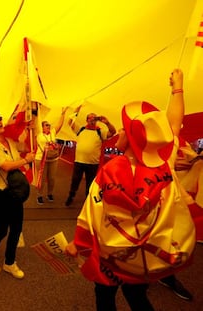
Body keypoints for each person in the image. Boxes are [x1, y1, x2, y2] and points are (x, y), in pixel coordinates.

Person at [65, 69, 195, 310]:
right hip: (144, 259)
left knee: (104, 296)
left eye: (124, 129)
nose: (120, 132)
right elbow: (174, 125)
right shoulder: (163, 163)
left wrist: (78, 243)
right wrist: (178, 88)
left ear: (133, 137)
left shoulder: (111, 170)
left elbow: (92, 211)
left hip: (112, 257)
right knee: (137, 297)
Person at [0, 111, 35, 279]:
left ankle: (9, 263)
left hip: (14, 192)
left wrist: (31, 130)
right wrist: (26, 160)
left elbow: (27, 147)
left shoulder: (10, 141)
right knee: (1, 230)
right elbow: (5, 165)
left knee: (17, 229)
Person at [65, 110, 116, 206]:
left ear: (97, 120)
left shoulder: (100, 131)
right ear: (87, 120)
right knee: (75, 180)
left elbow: (113, 132)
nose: (92, 120)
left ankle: (88, 201)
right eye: (90, 118)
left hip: (92, 163)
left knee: (90, 183)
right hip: (79, 161)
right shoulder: (81, 129)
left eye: (95, 118)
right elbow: (69, 122)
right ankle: (71, 196)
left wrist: (107, 123)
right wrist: (76, 111)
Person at [35, 108, 66, 204]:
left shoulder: (53, 133)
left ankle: (50, 193)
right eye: (46, 125)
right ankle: (39, 195)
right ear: (42, 127)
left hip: (53, 159)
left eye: (49, 125)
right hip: (41, 159)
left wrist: (63, 114)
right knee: (42, 179)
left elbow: (60, 124)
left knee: (52, 178)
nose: (49, 126)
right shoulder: (38, 134)